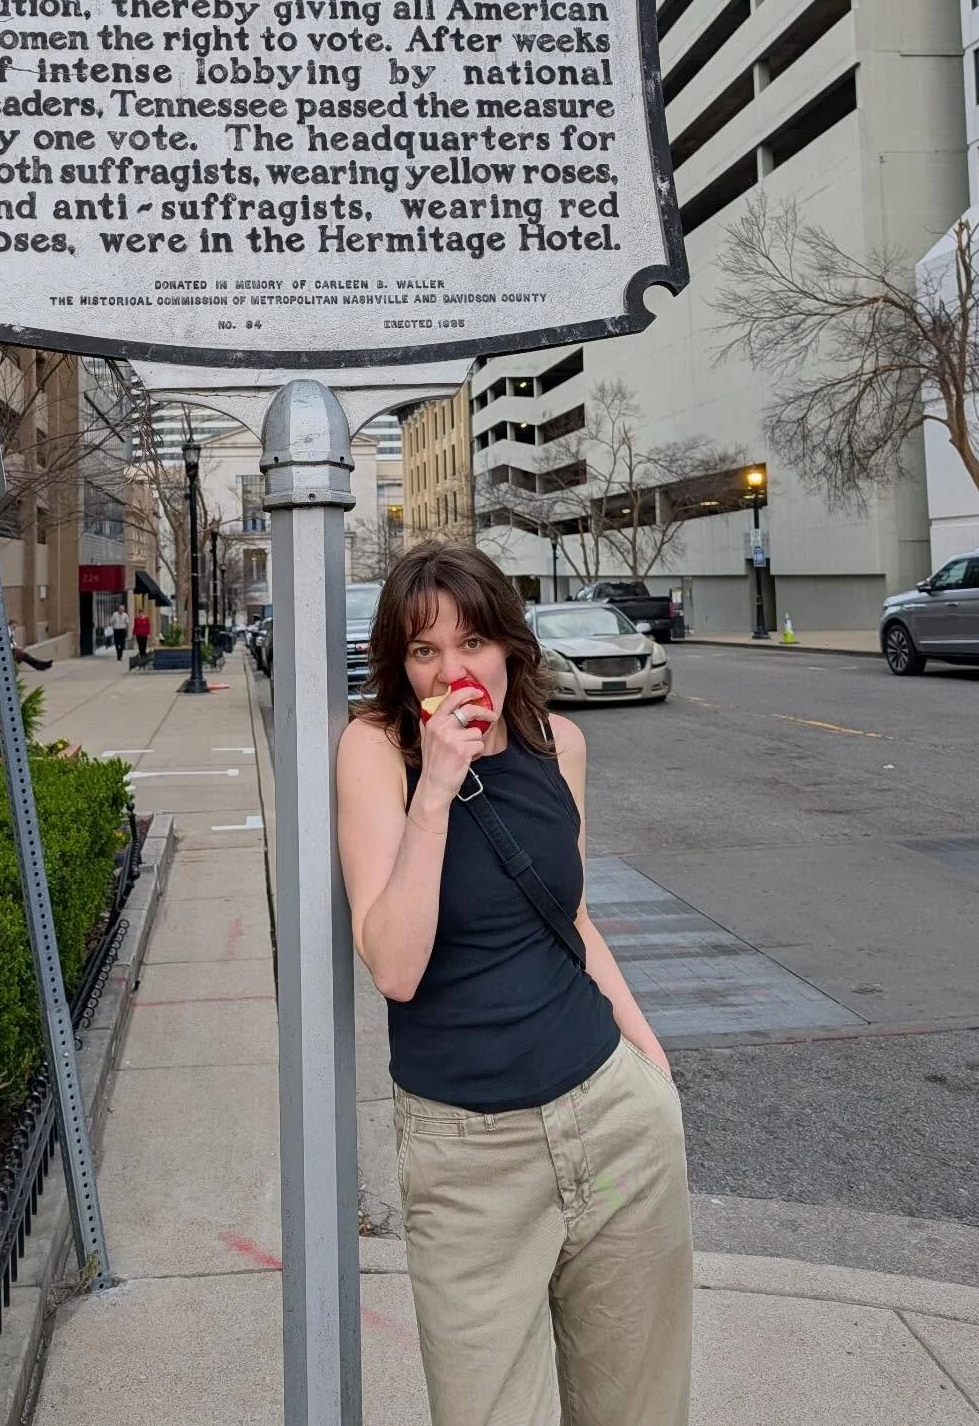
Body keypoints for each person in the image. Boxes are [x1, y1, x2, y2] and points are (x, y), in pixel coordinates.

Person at [336, 541, 692, 1426]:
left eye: (472, 642)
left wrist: (653, 1067)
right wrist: (436, 786)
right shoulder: (376, 751)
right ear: (400, 664)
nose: (452, 671)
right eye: (425, 650)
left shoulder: (558, 743)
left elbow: (572, 919)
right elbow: (395, 967)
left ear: (508, 644)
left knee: (639, 1409)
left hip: (613, 1125)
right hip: (470, 1164)